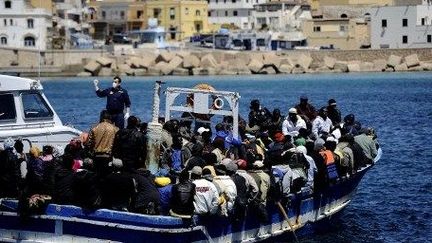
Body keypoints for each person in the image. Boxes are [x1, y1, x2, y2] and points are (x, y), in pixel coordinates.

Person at [88, 110, 119, 177]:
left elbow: (89, 143)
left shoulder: (94, 127)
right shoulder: (115, 129)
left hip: (96, 156)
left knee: (97, 176)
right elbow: (117, 144)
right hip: (109, 156)